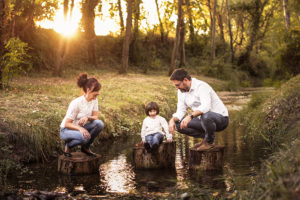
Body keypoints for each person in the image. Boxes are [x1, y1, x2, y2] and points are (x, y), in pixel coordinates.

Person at [168, 69, 229, 150]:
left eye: (177, 85)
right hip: (203, 120)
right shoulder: (181, 91)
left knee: (206, 116)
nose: (176, 88)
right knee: (178, 125)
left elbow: (206, 107)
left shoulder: (201, 86)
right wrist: (172, 120)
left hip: (221, 119)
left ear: (185, 80)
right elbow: (181, 110)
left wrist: (190, 116)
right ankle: (205, 138)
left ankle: (209, 141)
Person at [60, 73, 104, 157]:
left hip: (79, 128)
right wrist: (80, 129)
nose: (96, 97)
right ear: (88, 90)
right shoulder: (76, 103)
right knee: (84, 137)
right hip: (66, 130)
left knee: (99, 124)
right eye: (95, 94)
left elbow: (95, 116)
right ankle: (68, 145)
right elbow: (67, 124)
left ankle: (85, 147)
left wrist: (87, 117)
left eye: (97, 94)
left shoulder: (94, 100)